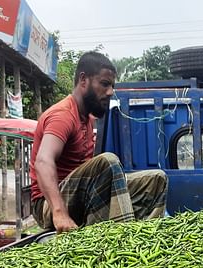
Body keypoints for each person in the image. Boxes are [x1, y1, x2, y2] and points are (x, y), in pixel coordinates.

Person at [30, 51, 168, 233]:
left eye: (112, 86)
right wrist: (59, 212)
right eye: (104, 84)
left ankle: (147, 237)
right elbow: (43, 161)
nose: (110, 92)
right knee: (107, 162)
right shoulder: (62, 116)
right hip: (48, 204)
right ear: (83, 80)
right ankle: (123, 243)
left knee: (156, 179)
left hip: (78, 196)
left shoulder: (87, 118)